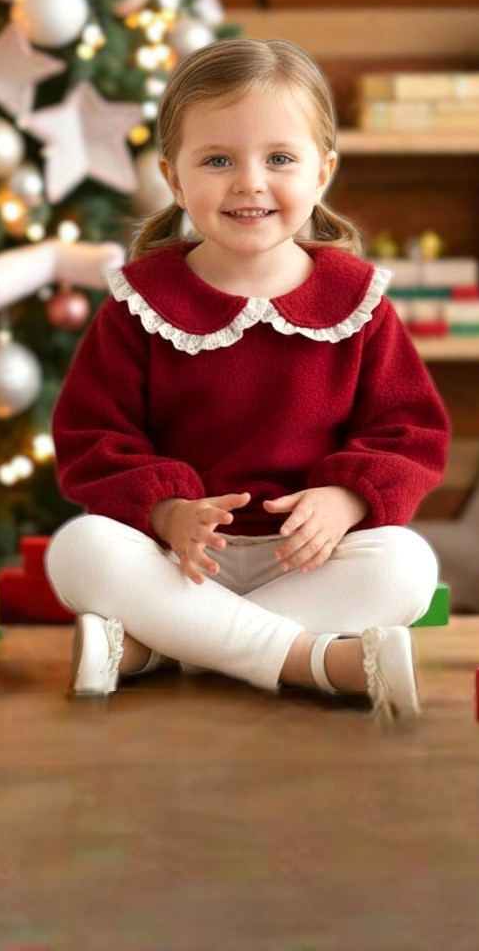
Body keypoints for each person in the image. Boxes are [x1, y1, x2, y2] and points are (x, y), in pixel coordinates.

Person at [45, 37, 450, 726]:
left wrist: (347, 499)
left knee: (408, 564)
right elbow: (92, 437)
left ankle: (160, 649)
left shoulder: (358, 301)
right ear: (174, 179)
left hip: (307, 564)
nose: (250, 182)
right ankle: (312, 663)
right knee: (78, 551)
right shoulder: (140, 302)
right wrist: (168, 514)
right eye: (218, 160)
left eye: (280, 159)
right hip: (177, 562)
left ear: (323, 171)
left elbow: (409, 432)